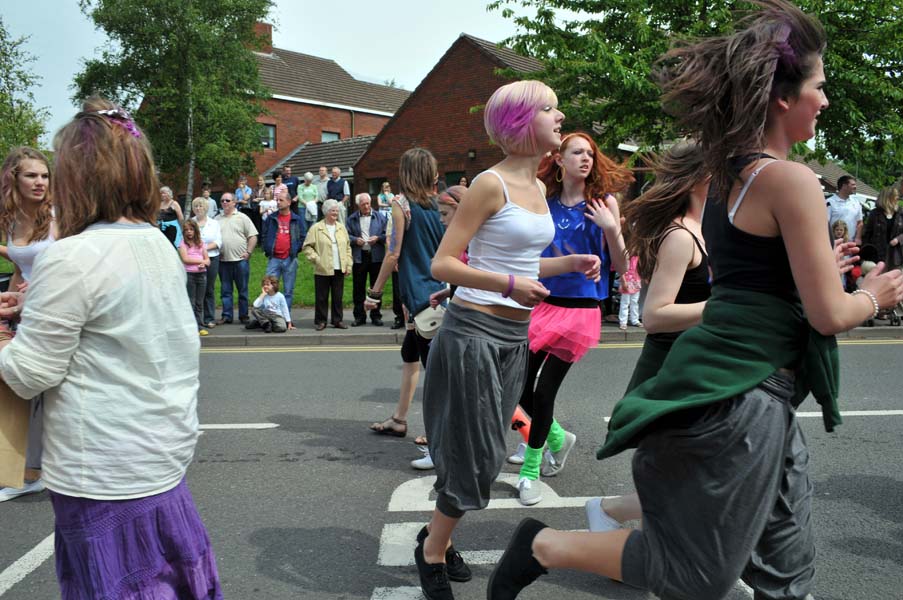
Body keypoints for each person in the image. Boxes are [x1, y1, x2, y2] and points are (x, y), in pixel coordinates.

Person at [487, 3, 903, 599]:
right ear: (784, 98)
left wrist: (814, 276)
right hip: (743, 396)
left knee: (786, 570)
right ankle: (542, 545)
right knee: (697, 574)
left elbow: (754, 280)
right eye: (820, 87)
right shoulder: (790, 180)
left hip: (755, 393)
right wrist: (870, 294)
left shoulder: (736, 174)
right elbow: (828, 316)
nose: (826, 101)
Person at [0, 97, 221, 599]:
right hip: (160, 454)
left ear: (77, 178)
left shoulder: (72, 255)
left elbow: (31, 373)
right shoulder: (154, 243)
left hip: (101, 468)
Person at [410, 80, 600, 600]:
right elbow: (444, 263)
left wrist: (568, 264)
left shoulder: (538, 187)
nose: (560, 115)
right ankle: (431, 551)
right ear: (521, 121)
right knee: (474, 458)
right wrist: (511, 285)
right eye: (550, 108)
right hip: (473, 333)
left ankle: (435, 534)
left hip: (515, 336)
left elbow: (520, 261)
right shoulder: (487, 184)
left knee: (487, 455)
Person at [513, 132, 632, 507]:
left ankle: (531, 470)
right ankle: (558, 437)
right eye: (577, 152)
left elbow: (623, 265)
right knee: (517, 388)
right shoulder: (544, 202)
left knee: (545, 391)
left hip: (579, 310)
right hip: (542, 303)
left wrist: (612, 228)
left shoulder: (603, 202)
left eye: (591, 154)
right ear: (559, 159)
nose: (586, 159)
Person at [363, 149, 448, 459]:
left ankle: (438, 433)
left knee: (433, 367)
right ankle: (399, 419)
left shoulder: (401, 205)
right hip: (441, 289)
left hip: (419, 294)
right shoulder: (441, 204)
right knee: (410, 352)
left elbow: (393, 254)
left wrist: (374, 293)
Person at [0, 146, 54, 503]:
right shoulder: (10, 220)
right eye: (31, 175)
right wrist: (9, 302)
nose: (39, 182)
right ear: (13, 180)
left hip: (57, 308)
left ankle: (41, 469)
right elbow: (20, 268)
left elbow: (76, 262)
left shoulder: (59, 216)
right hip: (27, 313)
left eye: (44, 175)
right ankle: (27, 470)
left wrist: (39, 287)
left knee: (49, 392)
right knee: (23, 390)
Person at [302, 198, 352, 330]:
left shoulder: (341, 228)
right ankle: (321, 321)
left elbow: (348, 247)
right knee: (322, 297)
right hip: (322, 268)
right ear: (325, 212)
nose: (335, 213)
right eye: (332, 211)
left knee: (338, 296)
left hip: (339, 267)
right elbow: (307, 247)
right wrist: (316, 259)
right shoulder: (316, 228)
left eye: (337, 210)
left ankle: (337, 320)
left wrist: (348, 265)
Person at [215, 192, 258, 325]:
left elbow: (253, 236)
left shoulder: (242, 217)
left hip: (240, 261)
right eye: (222, 201)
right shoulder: (216, 219)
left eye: (227, 200)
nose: (224, 203)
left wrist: (249, 252)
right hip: (223, 261)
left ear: (234, 202)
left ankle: (243, 315)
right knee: (225, 291)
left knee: (243, 290)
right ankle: (227, 315)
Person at [261, 186, 304, 316]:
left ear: (289, 202)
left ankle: (285, 317)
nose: (278, 202)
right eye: (277, 200)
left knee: (288, 290)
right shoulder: (272, 218)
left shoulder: (296, 219)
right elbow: (264, 234)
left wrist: (295, 250)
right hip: (274, 258)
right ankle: (268, 316)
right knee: (268, 288)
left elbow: (303, 237)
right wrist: (267, 248)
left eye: (281, 200)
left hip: (290, 259)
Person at [346, 193, 388, 326]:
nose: (366, 206)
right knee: (358, 288)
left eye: (368, 203)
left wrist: (377, 238)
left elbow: (387, 233)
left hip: (376, 255)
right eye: (363, 204)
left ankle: (376, 315)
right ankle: (359, 316)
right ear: (358, 205)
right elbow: (346, 234)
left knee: (376, 287)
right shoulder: (352, 219)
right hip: (360, 256)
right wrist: (354, 240)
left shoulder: (380, 217)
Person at [191, 197, 222, 330]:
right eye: (196, 206)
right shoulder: (191, 222)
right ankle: (196, 320)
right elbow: (186, 240)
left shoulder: (214, 223)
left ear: (206, 208)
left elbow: (218, 242)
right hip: (195, 260)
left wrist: (203, 249)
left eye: (201, 206)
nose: (198, 209)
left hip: (211, 258)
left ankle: (209, 318)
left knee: (208, 289)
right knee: (195, 291)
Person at [179, 217, 211, 336]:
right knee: (191, 302)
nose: (189, 232)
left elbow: (207, 259)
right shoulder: (182, 243)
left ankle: (200, 326)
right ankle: (192, 328)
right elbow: (185, 259)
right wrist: (200, 261)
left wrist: (205, 262)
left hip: (201, 275)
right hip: (190, 275)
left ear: (195, 230)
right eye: (186, 230)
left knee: (199, 302)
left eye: (191, 229)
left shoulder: (201, 243)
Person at [862, 186, 903, 270]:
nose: (898, 198)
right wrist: (865, 253)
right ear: (888, 197)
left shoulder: (901, 212)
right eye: (896, 196)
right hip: (877, 254)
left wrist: (898, 239)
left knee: (895, 279)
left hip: (896, 254)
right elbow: (867, 234)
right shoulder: (874, 213)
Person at [827, 175, 862, 244]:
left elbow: (860, 222)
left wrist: (858, 238)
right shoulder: (830, 202)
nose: (855, 187)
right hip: (834, 243)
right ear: (844, 186)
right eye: (852, 184)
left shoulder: (856, 202)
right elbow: (825, 223)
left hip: (850, 244)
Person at [618, 254, 642, 330]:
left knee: (634, 302)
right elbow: (620, 270)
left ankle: (635, 320)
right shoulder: (624, 257)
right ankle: (623, 322)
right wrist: (623, 281)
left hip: (636, 281)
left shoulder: (638, 257)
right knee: (625, 302)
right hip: (627, 281)